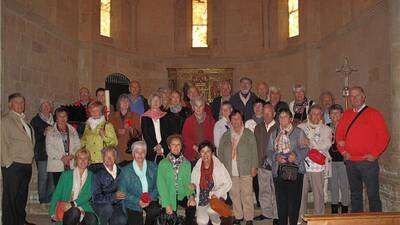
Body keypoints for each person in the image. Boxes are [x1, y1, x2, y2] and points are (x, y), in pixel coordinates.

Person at [336, 86, 390, 212]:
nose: (354, 98)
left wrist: (375, 154)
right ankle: (357, 220)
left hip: (368, 162)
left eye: (357, 95)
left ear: (363, 97)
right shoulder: (347, 114)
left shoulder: (373, 113)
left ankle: (376, 221)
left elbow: (384, 136)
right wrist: (343, 151)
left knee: (373, 195)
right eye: (351, 96)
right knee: (355, 195)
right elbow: (338, 135)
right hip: (350, 162)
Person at [266, 109, 308, 225]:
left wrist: (296, 155)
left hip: (295, 170)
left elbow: (305, 148)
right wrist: (276, 157)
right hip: (279, 171)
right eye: (280, 117)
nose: (283, 119)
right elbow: (269, 151)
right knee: (281, 202)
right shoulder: (274, 133)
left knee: (294, 202)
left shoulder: (299, 132)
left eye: (285, 117)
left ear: (290, 119)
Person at [218, 110, 258, 225]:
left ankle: (249, 218)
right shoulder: (226, 135)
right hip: (230, 170)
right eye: (233, 119)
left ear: (242, 120)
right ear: (230, 121)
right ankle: (239, 216)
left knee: (247, 194)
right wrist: (222, 170)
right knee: (234, 194)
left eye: (238, 118)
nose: (236, 121)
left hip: (246, 169)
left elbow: (254, 151)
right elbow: (220, 153)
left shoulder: (248, 133)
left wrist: (254, 166)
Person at [2, 93, 36, 225]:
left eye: (22, 102)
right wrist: (7, 163)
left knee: (21, 197)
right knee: (10, 198)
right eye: (17, 102)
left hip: (26, 165)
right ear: (10, 104)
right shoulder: (5, 120)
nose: (21, 105)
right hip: (13, 165)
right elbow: (2, 142)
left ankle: (20, 221)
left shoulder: (25, 122)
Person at [298, 105, 332, 221]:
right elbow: (298, 144)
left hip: (318, 167)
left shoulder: (326, 129)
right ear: (309, 115)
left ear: (321, 116)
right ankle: (300, 218)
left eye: (319, 114)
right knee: (301, 195)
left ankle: (319, 219)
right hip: (302, 166)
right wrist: (312, 145)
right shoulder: (300, 127)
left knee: (318, 195)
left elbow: (325, 145)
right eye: (313, 113)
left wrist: (310, 142)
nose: (316, 116)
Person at [49, 148, 97, 225]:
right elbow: (57, 193)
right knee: (74, 212)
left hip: (83, 206)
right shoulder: (66, 175)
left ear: (88, 161)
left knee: (92, 220)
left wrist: (73, 204)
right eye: (80, 158)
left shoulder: (92, 176)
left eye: (85, 158)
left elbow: (88, 194)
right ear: (76, 160)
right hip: (66, 207)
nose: (83, 161)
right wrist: (52, 212)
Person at [157, 134, 196, 225]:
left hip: (182, 194)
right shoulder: (163, 163)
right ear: (169, 147)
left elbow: (188, 183)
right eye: (173, 145)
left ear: (181, 146)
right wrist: (167, 204)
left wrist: (191, 196)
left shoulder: (186, 163)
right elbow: (161, 185)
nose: (176, 147)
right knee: (170, 219)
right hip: (169, 195)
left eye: (178, 144)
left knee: (192, 206)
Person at [191, 141, 232, 225]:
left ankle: (216, 222)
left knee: (211, 211)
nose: (205, 154)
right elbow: (193, 183)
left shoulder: (219, 166)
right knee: (201, 221)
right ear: (199, 153)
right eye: (202, 151)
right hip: (202, 199)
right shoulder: (197, 167)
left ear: (212, 152)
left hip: (215, 199)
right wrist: (192, 188)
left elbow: (228, 183)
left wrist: (217, 193)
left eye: (208, 151)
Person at [119, 141, 161, 225]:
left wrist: (149, 198)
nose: (140, 154)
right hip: (133, 202)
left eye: (143, 152)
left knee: (155, 210)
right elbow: (122, 192)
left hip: (150, 199)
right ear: (133, 154)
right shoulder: (125, 170)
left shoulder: (153, 167)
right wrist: (138, 201)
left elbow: (158, 186)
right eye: (137, 152)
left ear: (145, 153)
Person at [253, 104, 278, 224]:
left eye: (269, 113)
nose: (266, 115)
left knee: (276, 191)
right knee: (263, 190)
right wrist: (256, 164)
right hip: (261, 165)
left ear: (274, 114)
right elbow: (255, 147)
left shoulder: (279, 127)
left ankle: (277, 215)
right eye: (264, 113)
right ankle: (266, 213)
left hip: (275, 164)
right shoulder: (258, 127)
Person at [46, 107, 81, 186]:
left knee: (71, 188)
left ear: (67, 117)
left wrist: (72, 156)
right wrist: (62, 157)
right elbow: (49, 148)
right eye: (60, 116)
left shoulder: (72, 130)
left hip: (71, 163)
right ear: (56, 118)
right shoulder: (50, 131)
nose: (62, 118)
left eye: (64, 116)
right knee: (59, 189)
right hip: (57, 164)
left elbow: (78, 145)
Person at [91, 147, 126, 225]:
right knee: (108, 209)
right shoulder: (97, 174)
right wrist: (113, 196)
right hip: (103, 205)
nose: (109, 158)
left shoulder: (122, 171)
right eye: (106, 156)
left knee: (122, 220)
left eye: (111, 156)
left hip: (118, 204)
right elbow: (96, 197)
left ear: (115, 157)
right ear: (103, 158)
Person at [81, 101, 118, 173]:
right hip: (89, 161)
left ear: (101, 112)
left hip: (103, 160)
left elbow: (114, 142)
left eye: (97, 110)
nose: (94, 112)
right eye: (92, 110)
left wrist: (104, 136)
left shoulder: (107, 125)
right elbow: (84, 141)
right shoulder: (87, 126)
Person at [141, 93, 178, 162]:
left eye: (158, 100)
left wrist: (161, 145)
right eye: (153, 100)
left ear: (160, 103)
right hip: (151, 149)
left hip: (165, 147)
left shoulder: (166, 116)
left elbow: (168, 133)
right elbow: (146, 134)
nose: (155, 102)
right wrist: (156, 146)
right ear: (150, 102)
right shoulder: (145, 117)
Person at [31, 99, 55, 203]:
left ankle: (50, 199)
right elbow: (32, 137)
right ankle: (42, 199)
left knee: (52, 178)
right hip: (42, 153)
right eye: (43, 105)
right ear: (40, 108)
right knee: (43, 177)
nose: (46, 107)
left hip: (54, 154)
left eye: (48, 105)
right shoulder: (35, 120)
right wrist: (43, 133)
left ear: (51, 108)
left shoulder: (55, 120)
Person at [327, 104, 350, 214]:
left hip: (343, 160)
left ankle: (345, 207)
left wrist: (346, 142)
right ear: (329, 115)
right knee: (333, 185)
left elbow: (353, 141)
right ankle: (334, 207)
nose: (335, 115)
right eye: (332, 113)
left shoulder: (346, 127)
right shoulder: (326, 127)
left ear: (342, 115)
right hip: (331, 160)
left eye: (337, 113)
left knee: (344, 184)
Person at [109, 94, 141, 167]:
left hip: (130, 149)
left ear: (129, 104)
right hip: (117, 149)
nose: (125, 103)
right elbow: (109, 133)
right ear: (118, 103)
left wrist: (131, 129)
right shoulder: (112, 116)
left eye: (127, 101)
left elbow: (139, 133)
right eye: (122, 101)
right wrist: (117, 132)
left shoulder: (135, 115)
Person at [182, 96, 215, 166]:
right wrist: (195, 147)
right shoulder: (188, 121)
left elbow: (212, 138)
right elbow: (185, 138)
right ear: (193, 107)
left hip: (207, 155)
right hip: (192, 156)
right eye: (196, 106)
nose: (198, 109)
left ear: (204, 106)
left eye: (201, 106)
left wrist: (206, 150)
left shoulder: (211, 120)